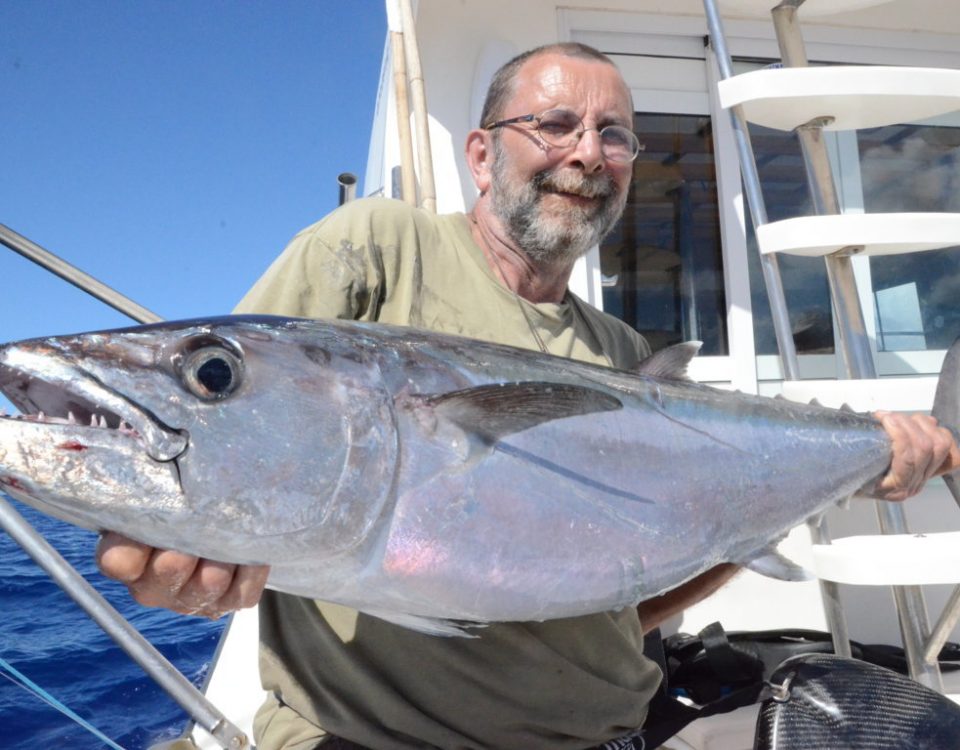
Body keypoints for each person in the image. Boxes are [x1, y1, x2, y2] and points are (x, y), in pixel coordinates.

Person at [97, 43, 960, 750]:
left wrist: (807, 487)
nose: (587, 153)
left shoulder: (621, 350)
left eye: (614, 136)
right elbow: (245, 414)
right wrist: (193, 551)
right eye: (555, 124)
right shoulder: (377, 247)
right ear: (481, 154)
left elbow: (624, 595)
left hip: (614, 730)